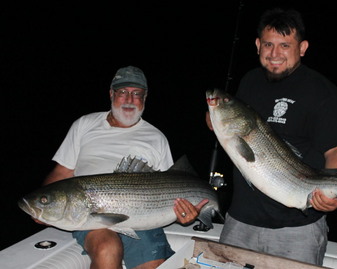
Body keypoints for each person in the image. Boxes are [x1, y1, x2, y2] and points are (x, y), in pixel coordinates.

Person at [206, 8, 337, 266]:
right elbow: (237, 133)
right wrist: (216, 119)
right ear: (258, 45)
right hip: (240, 221)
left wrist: (336, 192)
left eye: (285, 45)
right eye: (269, 45)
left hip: (297, 229)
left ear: (302, 48)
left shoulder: (323, 93)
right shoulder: (249, 81)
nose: (275, 54)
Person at [34, 66, 208, 269]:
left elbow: (173, 183)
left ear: (145, 98)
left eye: (136, 94)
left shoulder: (156, 137)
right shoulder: (84, 125)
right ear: (111, 93)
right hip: (91, 217)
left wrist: (185, 215)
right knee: (107, 248)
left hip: (142, 219)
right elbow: (62, 172)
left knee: (154, 264)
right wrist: (44, 204)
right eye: (122, 92)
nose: (129, 99)